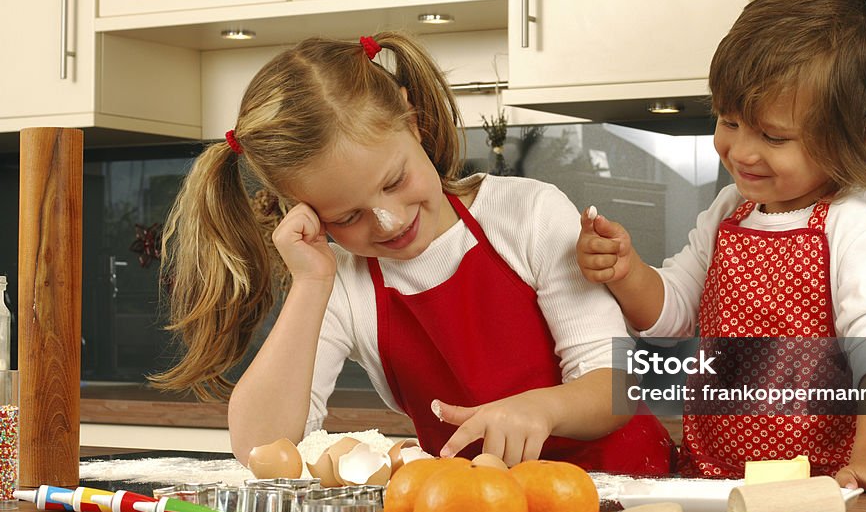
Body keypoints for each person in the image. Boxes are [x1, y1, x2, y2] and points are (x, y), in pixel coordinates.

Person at [151, 32, 677, 475]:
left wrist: (539, 410)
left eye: (395, 180)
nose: (389, 220)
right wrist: (312, 283)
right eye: (347, 217)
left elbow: (617, 383)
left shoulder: (528, 214)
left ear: (413, 120)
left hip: (622, 499)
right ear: (304, 213)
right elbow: (260, 446)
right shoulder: (343, 281)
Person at [576, 0, 866, 497]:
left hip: (821, 492)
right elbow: (670, 319)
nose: (741, 151)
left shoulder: (858, 226)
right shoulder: (728, 213)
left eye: (774, 136)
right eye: (729, 120)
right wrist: (629, 274)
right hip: (711, 484)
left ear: (857, 137)